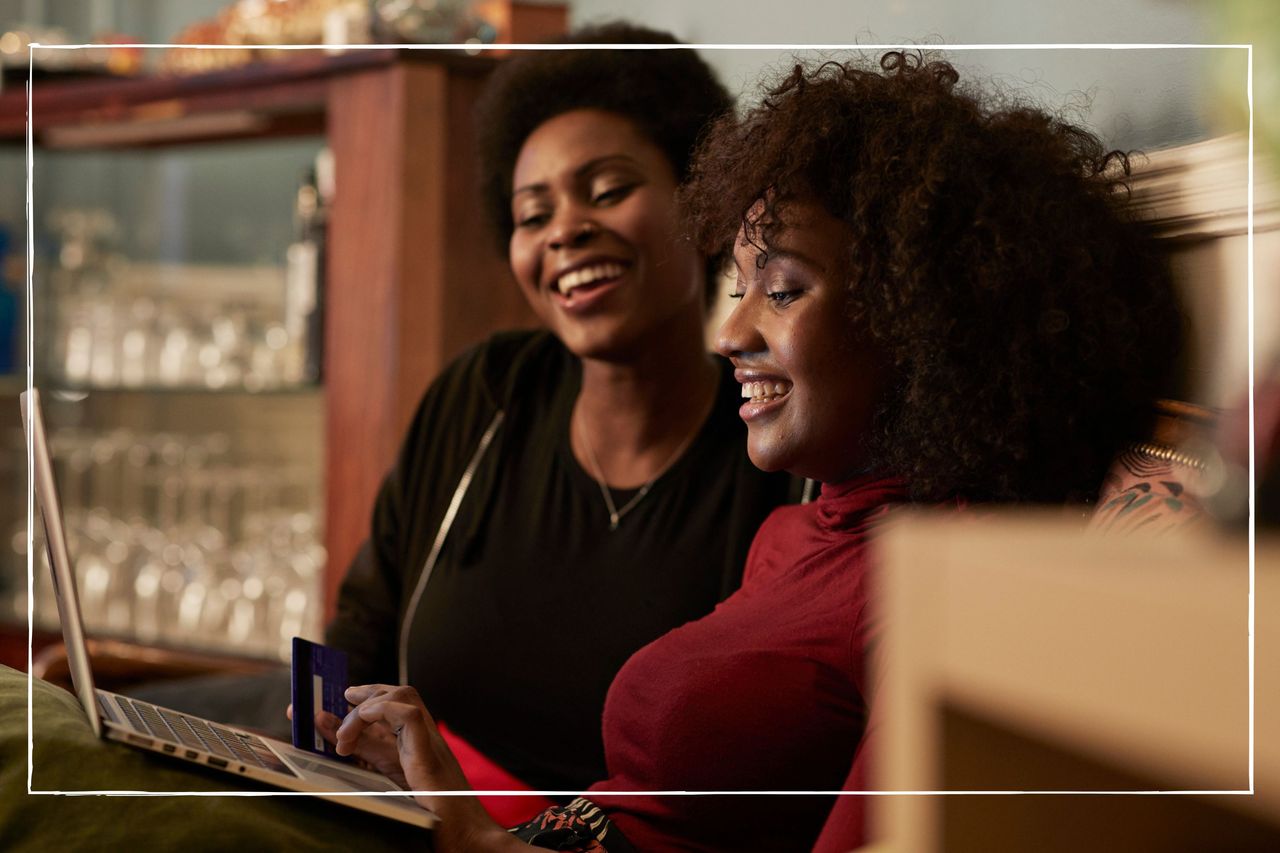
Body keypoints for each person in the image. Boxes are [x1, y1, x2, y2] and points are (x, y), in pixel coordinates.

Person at [326, 52, 1182, 851]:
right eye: (740, 288)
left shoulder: (941, 579)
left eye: (780, 290)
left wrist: (476, 842)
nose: (730, 331)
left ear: (919, 314)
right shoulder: (802, 531)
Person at [322, 23, 797, 815]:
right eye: (531, 213)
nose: (565, 230)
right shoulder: (483, 394)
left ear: (704, 206)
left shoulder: (781, 451)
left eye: (608, 190)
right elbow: (357, 631)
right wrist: (313, 743)